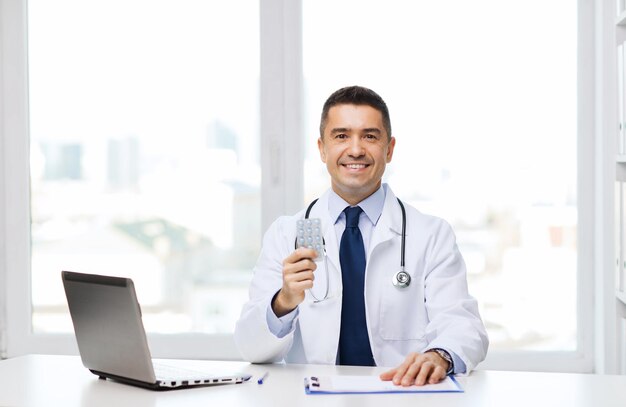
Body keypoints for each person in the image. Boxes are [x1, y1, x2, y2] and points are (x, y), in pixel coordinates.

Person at [234, 85, 488, 386]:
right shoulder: (285, 234)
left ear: (389, 149)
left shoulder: (431, 235)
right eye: (341, 136)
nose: (355, 149)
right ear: (322, 149)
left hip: (402, 395)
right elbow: (251, 347)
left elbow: (463, 325)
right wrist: (284, 300)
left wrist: (439, 355)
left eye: (370, 136)